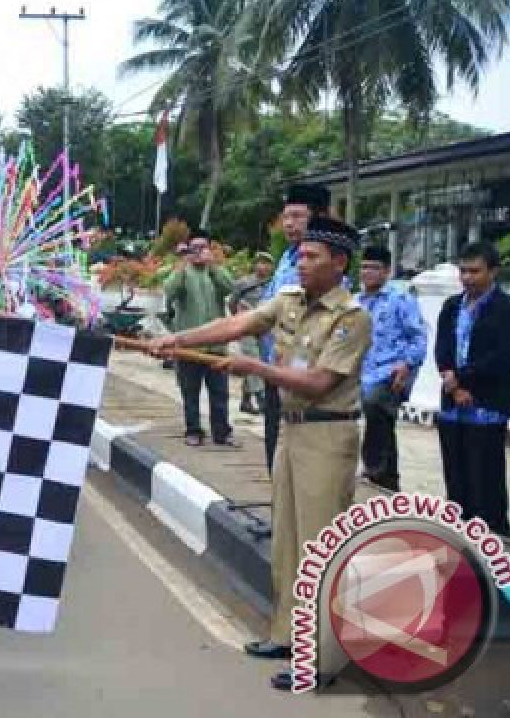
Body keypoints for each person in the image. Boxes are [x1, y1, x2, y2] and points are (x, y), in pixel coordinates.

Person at [148, 215, 370, 691]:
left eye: (312, 257)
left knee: (321, 545)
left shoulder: (351, 317)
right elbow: (236, 322)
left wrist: (254, 367)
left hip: (329, 436)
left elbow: (318, 382)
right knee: (288, 540)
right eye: (302, 256)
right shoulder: (289, 299)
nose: (302, 264)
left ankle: (323, 658)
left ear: (339, 262)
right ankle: (289, 634)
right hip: (291, 432)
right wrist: (177, 339)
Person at [434, 241, 510, 537]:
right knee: (456, 480)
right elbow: (442, 348)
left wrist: (462, 379)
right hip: (452, 404)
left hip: (487, 404)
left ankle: (495, 548)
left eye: (475, 271)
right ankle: (459, 544)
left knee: (485, 481)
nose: (468, 278)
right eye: (463, 271)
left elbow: (503, 355)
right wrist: (452, 381)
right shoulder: (450, 306)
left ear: (493, 271)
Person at [257, 184, 333, 472]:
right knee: (275, 447)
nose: (288, 224)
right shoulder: (287, 259)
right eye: (286, 216)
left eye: (297, 216)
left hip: (303, 372)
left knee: (301, 457)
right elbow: (268, 309)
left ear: (320, 216)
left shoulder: (328, 262)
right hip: (275, 366)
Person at [357, 245, 428, 492]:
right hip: (361, 372)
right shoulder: (356, 301)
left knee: (376, 404)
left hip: (390, 371)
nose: (368, 273)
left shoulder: (401, 299)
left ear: (387, 271)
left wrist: (407, 364)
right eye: (364, 267)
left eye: (374, 268)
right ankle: (383, 475)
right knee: (376, 417)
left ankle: (378, 471)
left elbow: (418, 337)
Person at [162, 230, 237, 447]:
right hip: (189, 345)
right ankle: (193, 430)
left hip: (216, 346)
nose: (199, 252)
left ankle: (222, 432)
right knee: (190, 391)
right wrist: (183, 265)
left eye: (203, 247)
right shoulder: (184, 272)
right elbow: (169, 290)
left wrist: (213, 265)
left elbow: (229, 288)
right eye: (194, 248)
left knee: (220, 393)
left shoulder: (215, 273)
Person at [229, 252, 274, 415]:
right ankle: (261, 396)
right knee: (252, 357)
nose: (263, 266)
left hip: (265, 329)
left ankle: (245, 400)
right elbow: (232, 302)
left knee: (260, 360)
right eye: (260, 263)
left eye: (267, 263)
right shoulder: (244, 283)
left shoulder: (273, 284)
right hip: (246, 326)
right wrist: (238, 319)